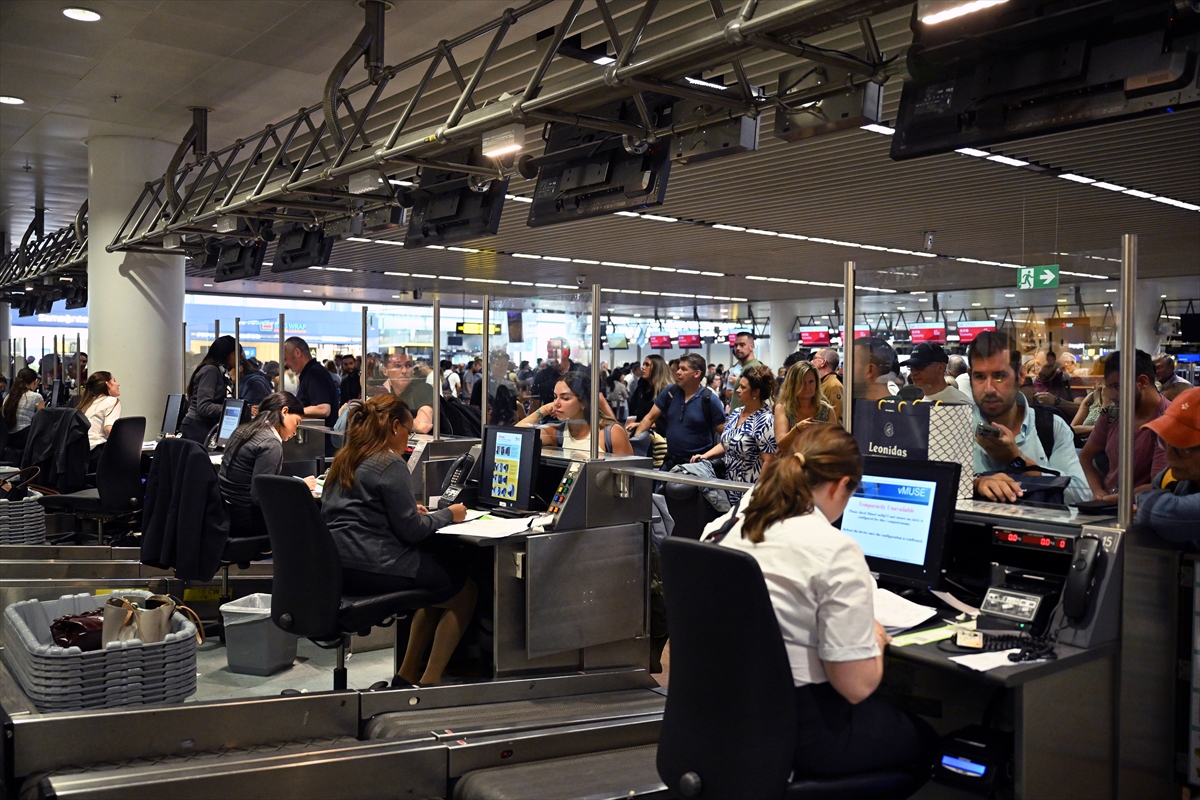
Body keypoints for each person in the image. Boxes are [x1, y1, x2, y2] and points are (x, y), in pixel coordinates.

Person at [713, 423, 937, 783]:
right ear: (839, 484)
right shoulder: (835, 550)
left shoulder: (737, 527)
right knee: (927, 741)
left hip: (727, 715)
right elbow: (855, 687)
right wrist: (874, 639)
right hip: (802, 734)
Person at [321, 395, 474, 687]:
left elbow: (360, 510)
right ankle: (431, 681)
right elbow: (412, 531)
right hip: (374, 565)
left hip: (338, 566)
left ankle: (406, 676)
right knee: (463, 591)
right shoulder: (390, 462)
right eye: (409, 430)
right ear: (394, 426)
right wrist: (449, 514)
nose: (409, 437)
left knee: (434, 586)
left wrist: (406, 510)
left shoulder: (346, 457)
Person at [967, 332, 1090, 504]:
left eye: (999, 376)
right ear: (970, 376)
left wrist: (1017, 460)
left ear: (1020, 375)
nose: (989, 388)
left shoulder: (1050, 426)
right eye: (980, 377)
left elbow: (1080, 496)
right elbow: (935, 488)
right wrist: (975, 483)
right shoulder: (955, 426)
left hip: (1037, 521)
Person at [218, 392, 315, 539]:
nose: (295, 432)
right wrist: (300, 486)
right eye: (297, 422)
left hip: (225, 514)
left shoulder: (243, 429)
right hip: (246, 520)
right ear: (285, 411)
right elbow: (260, 496)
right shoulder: (270, 443)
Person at [1080, 349, 1169, 503]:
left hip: (1143, 507)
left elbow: (1158, 485)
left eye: (1117, 386)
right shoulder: (1112, 413)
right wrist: (1098, 491)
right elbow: (1085, 457)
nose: (1111, 395)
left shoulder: (1168, 420)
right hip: (1110, 502)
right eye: (1108, 387)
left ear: (1142, 382)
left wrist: (1109, 500)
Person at [694, 365, 777, 504]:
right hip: (729, 485)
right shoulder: (737, 413)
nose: (737, 390)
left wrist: (758, 492)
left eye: (743, 387)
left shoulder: (766, 420)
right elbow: (727, 442)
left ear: (756, 392)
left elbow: (769, 461)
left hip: (750, 489)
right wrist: (706, 455)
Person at [634, 353, 726, 469]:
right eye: (678, 368)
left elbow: (727, 437)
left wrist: (708, 455)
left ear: (697, 374)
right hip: (671, 461)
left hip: (697, 464)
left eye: (683, 369)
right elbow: (649, 418)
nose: (678, 372)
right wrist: (635, 444)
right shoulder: (670, 392)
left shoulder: (709, 400)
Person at [1137, 387, 1200, 544]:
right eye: (1166, 442)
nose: (1168, 456)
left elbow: (1169, 515)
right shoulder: (1169, 479)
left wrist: (1142, 499)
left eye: (1184, 448)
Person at [517, 371, 633, 454]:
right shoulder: (557, 432)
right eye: (555, 397)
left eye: (565, 398)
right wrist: (545, 409)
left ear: (583, 402)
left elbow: (627, 476)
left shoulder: (611, 433)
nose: (556, 403)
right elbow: (517, 435)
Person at [181, 336, 236, 443]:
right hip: (197, 427)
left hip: (204, 426)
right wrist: (232, 409)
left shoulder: (221, 372)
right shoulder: (211, 371)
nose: (239, 359)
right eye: (235, 354)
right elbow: (204, 406)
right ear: (226, 353)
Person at [371, 350, 435, 433]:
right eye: (397, 366)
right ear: (385, 371)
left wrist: (392, 424)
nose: (404, 371)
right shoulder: (388, 394)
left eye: (408, 365)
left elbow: (423, 426)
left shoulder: (423, 389)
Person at [283, 336, 340, 430]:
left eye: (286, 358)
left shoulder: (314, 374)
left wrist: (292, 410)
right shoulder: (311, 372)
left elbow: (323, 409)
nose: (285, 364)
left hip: (321, 437)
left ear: (297, 352)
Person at [775, 360, 835, 438]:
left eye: (811, 382)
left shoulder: (827, 410)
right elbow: (781, 443)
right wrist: (797, 430)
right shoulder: (783, 408)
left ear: (816, 383)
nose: (807, 387)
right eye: (802, 382)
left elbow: (834, 442)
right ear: (793, 384)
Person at [77, 372, 121, 472]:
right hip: (98, 455)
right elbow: (109, 430)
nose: (118, 384)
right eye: (114, 381)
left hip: (82, 457)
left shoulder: (87, 403)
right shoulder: (111, 401)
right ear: (107, 384)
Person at [905, 343, 972, 404]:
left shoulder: (960, 404)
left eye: (920, 366)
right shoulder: (917, 403)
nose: (914, 373)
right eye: (911, 367)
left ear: (941, 368)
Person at [626, 354, 671, 433]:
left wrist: (639, 424)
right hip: (639, 431)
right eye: (643, 364)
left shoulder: (665, 391)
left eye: (647, 365)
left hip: (657, 434)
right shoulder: (641, 387)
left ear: (657, 368)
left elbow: (664, 422)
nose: (643, 367)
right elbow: (633, 408)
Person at [3, 368, 43, 450]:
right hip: (26, 439)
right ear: (35, 381)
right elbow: (43, 420)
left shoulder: (9, 396)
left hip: (9, 439)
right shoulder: (36, 397)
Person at [851, 337, 899, 403]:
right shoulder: (860, 405)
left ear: (870, 370)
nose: (842, 371)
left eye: (850, 364)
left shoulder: (894, 408)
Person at [726, 332, 764, 412]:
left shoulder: (754, 368)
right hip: (737, 417)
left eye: (742, 345)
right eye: (736, 345)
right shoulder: (745, 367)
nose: (738, 348)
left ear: (752, 346)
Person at [811, 347, 844, 426]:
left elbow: (836, 419)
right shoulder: (823, 383)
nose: (811, 361)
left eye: (815, 358)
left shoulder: (833, 386)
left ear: (823, 362)